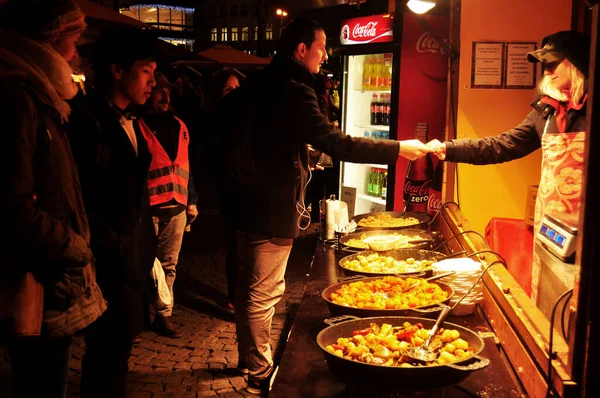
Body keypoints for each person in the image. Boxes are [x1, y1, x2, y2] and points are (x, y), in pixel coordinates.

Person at [215, 18, 430, 395]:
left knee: (249, 285)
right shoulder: (293, 89)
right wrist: (397, 148)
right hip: (271, 207)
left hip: (245, 203)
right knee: (263, 291)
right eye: (322, 46)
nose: (326, 54)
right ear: (302, 50)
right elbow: (338, 143)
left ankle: (247, 359)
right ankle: (259, 373)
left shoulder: (258, 84)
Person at [427, 30, 589, 300]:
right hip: (552, 228)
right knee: (548, 303)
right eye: (544, 66)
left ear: (577, 61)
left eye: (553, 63)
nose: (546, 72)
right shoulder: (546, 112)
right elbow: (501, 145)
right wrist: (448, 148)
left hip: (586, 238)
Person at [0, 1, 107, 397]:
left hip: (52, 278)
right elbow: (11, 201)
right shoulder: (19, 98)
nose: (76, 52)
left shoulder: (38, 95)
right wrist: (72, 245)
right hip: (40, 278)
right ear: (48, 40)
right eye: (72, 39)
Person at [67, 29, 160, 398]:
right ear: (117, 71)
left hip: (130, 255)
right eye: (145, 72)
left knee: (118, 351)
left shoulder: (132, 119)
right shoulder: (89, 123)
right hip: (108, 260)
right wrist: (114, 244)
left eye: (154, 73)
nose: (153, 83)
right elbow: (83, 195)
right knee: (106, 352)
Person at [138, 71, 198, 337]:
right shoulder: (138, 126)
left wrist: (192, 201)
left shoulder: (180, 126)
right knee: (143, 264)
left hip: (176, 206)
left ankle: (163, 315)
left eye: (168, 91)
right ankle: (140, 315)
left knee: (169, 265)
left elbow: (186, 165)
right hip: (147, 208)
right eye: (159, 90)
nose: (164, 96)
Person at [202, 67, 243, 309]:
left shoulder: (244, 116)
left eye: (238, 88)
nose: (235, 93)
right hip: (229, 188)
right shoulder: (214, 119)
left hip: (244, 188)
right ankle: (233, 296)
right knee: (235, 242)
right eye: (229, 89)